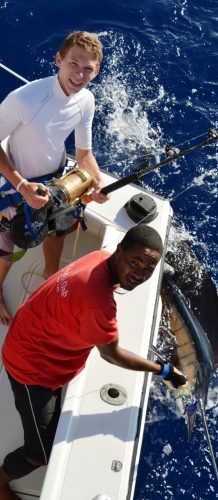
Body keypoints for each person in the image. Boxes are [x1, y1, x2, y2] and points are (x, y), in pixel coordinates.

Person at [0, 224, 187, 499]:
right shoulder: (98, 303)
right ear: (120, 250)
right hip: (30, 370)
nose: (139, 273)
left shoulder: (99, 258)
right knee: (40, 452)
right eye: (135, 262)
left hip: (31, 336)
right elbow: (112, 354)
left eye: (148, 269)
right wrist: (165, 370)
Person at [0, 30, 108, 325]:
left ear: (96, 72)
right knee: (7, 247)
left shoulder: (86, 101)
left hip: (57, 181)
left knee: (57, 228)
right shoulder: (24, 99)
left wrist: (97, 181)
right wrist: (22, 186)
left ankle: (50, 274)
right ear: (58, 59)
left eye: (88, 68)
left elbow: (84, 154)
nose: (79, 74)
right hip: (17, 184)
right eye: (74, 64)